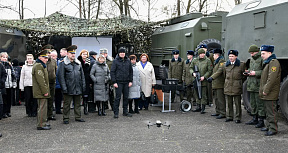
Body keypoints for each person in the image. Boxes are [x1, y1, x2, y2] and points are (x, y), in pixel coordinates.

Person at [58, 45, 86, 124]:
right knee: (67, 104)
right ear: (67, 54)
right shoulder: (63, 64)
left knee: (77, 103)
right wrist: (64, 88)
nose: (73, 55)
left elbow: (82, 76)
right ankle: (66, 118)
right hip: (68, 87)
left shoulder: (78, 63)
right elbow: (61, 77)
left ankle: (78, 117)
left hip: (78, 87)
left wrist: (83, 85)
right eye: (71, 53)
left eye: (74, 53)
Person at [259, 45, 281, 136]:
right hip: (267, 92)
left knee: (271, 111)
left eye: (263, 53)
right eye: (261, 53)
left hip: (270, 92)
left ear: (270, 53)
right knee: (267, 110)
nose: (262, 55)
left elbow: (271, 78)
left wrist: (266, 90)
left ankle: (273, 128)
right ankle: (268, 126)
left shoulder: (273, 62)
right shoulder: (268, 62)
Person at [244, 45, 265, 128]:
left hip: (258, 84)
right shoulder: (252, 59)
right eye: (250, 53)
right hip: (251, 84)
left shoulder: (261, 59)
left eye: (252, 53)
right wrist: (248, 72)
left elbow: (264, 71)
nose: (251, 55)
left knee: (260, 104)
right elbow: (251, 68)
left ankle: (261, 120)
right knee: (253, 103)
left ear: (257, 51)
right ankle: (254, 118)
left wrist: (255, 73)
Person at [223, 50, 245, 123]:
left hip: (236, 86)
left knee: (237, 103)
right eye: (229, 56)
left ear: (236, 56)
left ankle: (238, 117)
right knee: (229, 103)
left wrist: (238, 82)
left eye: (232, 56)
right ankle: (229, 116)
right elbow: (224, 75)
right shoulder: (225, 65)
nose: (231, 58)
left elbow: (243, 76)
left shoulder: (241, 65)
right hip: (228, 86)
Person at [110, 47, 133, 118]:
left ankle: (125, 111)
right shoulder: (115, 61)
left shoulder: (128, 61)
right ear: (119, 53)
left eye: (123, 52)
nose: (122, 54)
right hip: (118, 82)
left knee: (126, 97)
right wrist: (114, 82)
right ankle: (116, 112)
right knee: (117, 98)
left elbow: (131, 71)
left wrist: (130, 81)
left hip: (126, 82)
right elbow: (112, 72)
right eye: (121, 52)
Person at [32, 50, 51, 130]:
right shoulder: (38, 66)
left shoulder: (40, 65)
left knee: (42, 107)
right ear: (40, 57)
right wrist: (45, 91)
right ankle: (41, 124)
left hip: (41, 91)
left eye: (47, 58)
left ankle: (43, 122)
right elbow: (41, 81)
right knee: (42, 108)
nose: (46, 59)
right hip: (40, 91)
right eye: (45, 58)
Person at [190, 48, 213, 114]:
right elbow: (190, 68)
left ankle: (203, 107)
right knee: (196, 93)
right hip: (196, 79)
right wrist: (193, 73)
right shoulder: (195, 60)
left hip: (203, 80)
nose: (202, 55)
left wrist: (204, 77)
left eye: (203, 53)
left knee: (203, 94)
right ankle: (198, 106)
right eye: (201, 54)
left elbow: (210, 70)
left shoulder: (207, 60)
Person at [207, 49, 226, 119]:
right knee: (217, 99)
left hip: (220, 84)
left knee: (221, 99)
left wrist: (211, 78)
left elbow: (219, 71)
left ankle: (223, 113)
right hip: (215, 83)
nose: (213, 56)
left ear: (217, 55)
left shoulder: (222, 62)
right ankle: (218, 111)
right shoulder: (216, 62)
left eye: (214, 55)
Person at [0, 52, 17, 118]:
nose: (5, 58)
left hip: (9, 84)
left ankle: (8, 111)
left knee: (9, 98)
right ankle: (3, 112)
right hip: (3, 84)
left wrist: (14, 82)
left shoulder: (9, 65)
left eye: (6, 57)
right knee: (4, 99)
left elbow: (13, 74)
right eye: (3, 57)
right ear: (0, 57)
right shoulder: (1, 65)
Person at [44, 45, 57, 121]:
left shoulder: (53, 61)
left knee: (51, 99)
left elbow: (55, 71)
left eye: (49, 52)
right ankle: (44, 115)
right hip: (44, 83)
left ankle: (50, 114)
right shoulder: (43, 62)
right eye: (47, 52)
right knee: (44, 100)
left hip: (52, 83)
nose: (48, 54)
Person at [77, 49, 92, 115]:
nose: (85, 55)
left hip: (87, 79)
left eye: (86, 54)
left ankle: (85, 109)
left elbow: (89, 71)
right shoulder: (78, 61)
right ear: (81, 55)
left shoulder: (89, 61)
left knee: (86, 94)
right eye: (83, 54)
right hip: (79, 79)